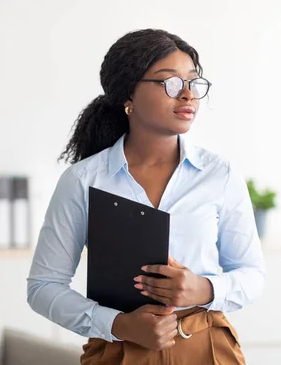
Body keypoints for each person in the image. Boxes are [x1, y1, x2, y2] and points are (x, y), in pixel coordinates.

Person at [27, 29, 266, 364]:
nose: (187, 95)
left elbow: (252, 275)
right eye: (169, 82)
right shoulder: (83, 181)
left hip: (207, 349)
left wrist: (204, 289)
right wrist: (119, 324)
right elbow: (43, 287)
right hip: (119, 350)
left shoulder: (220, 175)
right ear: (129, 94)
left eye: (193, 83)